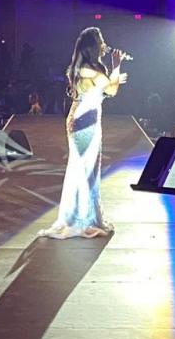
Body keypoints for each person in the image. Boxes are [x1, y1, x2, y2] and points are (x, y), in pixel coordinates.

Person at [38, 27, 127, 239]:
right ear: (93, 47)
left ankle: (82, 215)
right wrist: (116, 66)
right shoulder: (89, 71)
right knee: (85, 169)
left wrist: (113, 75)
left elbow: (108, 88)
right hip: (84, 123)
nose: (104, 45)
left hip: (85, 120)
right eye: (101, 42)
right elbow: (112, 90)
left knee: (86, 169)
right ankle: (82, 218)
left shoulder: (86, 69)